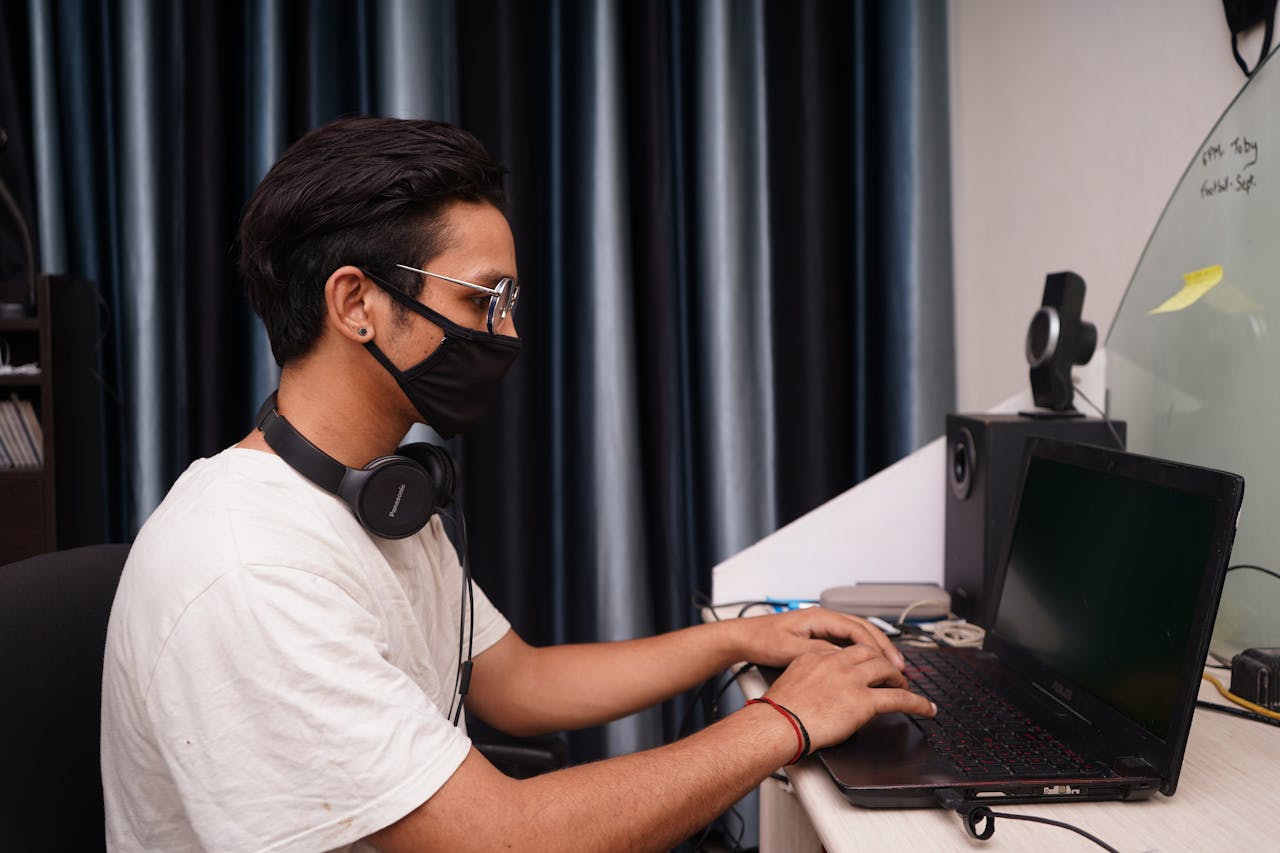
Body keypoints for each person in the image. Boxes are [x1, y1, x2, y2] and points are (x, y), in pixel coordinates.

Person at [100, 116, 935, 853]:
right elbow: (498, 838)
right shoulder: (252, 566)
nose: (508, 333)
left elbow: (521, 682)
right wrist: (785, 720)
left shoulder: (376, 502)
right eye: (486, 300)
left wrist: (738, 643)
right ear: (355, 303)